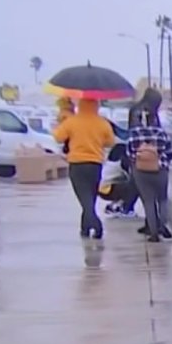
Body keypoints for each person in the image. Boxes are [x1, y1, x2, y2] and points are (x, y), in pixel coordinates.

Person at [51, 98, 115, 239]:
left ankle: (96, 225)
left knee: (85, 198)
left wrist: (60, 123)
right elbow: (110, 142)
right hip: (95, 164)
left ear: (80, 105)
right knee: (90, 198)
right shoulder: (102, 123)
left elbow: (58, 137)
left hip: (77, 164)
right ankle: (85, 228)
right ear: (96, 105)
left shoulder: (72, 122)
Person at [126, 99, 172, 243]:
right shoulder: (161, 133)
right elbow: (170, 152)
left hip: (141, 172)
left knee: (148, 201)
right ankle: (162, 225)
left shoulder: (134, 134)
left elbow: (129, 153)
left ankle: (153, 234)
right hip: (160, 171)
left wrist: (138, 162)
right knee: (163, 200)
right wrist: (162, 162)